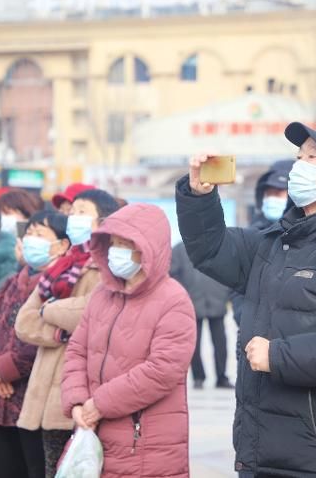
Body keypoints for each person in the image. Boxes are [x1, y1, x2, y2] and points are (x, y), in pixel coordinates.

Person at [175, 122, 316, 476]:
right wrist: (199, 195)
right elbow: (211, 250)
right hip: (260, 454)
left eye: (312, 158)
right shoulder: (275, 242)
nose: (299, 166)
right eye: (299, 157)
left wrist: (278, 355)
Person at [61, 204, 196, 477]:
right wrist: (76, 401)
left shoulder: (173, 300)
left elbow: (163, 370)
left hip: (145, 445)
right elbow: (77, 350)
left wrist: (100, 404)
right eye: (113, 243)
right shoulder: (102, 294)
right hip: (94, 432)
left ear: (149, 249)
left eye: (126, 244)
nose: (116, 251)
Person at [15, 191, 119, 478]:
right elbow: (23, 322)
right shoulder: (60, 266)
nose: (73, 218)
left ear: (102, 221)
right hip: (41, 397)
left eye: (82, 212)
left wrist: (49, 309)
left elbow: (91, 313)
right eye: (72, 212)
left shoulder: (107, 267)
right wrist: (64, 332)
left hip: (77, 397)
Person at [0, 212, 68, 478]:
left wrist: (4, 369)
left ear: (62, 245)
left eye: (40, 235)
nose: (30, 240)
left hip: (33, 405)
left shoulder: (63, 288)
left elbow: (50, 336)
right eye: (29, 234)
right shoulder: (11, 282)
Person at [231, 160, 292, 327]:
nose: (272, 199)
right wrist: (247, 321)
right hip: (253, 337)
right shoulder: (253, 235)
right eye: (269, 193)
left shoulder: (310, 234)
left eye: (279, 193)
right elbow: (238, 286)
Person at [170, 242, 233, 389]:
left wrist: (226, 293)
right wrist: (181, 295)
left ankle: (221, 377)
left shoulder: (218, 246)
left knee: (220, 342)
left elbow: (229, 270)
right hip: (191, 303)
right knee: (193, 343)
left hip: (216, 299)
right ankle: (198, 377)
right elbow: (172, 274)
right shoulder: (179, 249)